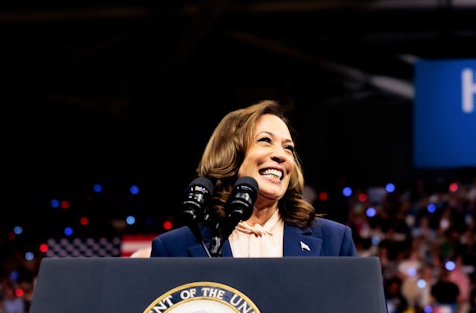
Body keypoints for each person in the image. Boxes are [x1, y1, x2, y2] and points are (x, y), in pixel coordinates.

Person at [150, 100, 357, 258]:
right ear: (231, 153)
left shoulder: (334, 241)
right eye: (265, 140)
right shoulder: (173, 248)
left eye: (288, 148)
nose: (281, 155)